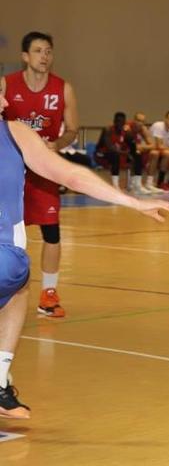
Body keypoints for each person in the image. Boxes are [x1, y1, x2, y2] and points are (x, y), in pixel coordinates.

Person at [0, 94, 169, 418]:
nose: (3, 101)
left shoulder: (14, 131)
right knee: (18, 286)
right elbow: (71, 176)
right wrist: (134, 202)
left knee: (17, 288)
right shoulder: (16, 132)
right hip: (8, 262)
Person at [0, 31, 79, 318]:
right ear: (25, 56)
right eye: (38, 51)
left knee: (52, 231)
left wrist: (56, 144)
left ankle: (48, 294)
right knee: (9, 233)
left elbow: (72, 129)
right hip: (10, 168)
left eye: (48, 51)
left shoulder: (63, 88)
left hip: (42, 168)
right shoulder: (7, 86)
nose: (44, 56)